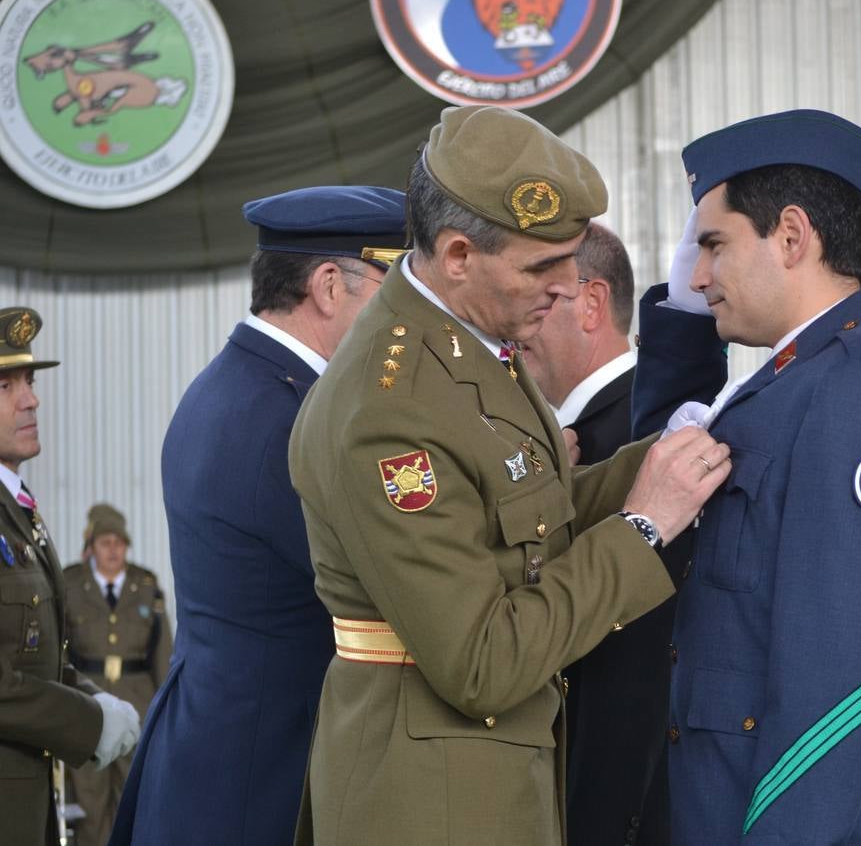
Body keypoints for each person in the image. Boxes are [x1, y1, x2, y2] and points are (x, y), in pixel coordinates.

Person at [287, 105, 730, 845]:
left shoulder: (462, 339)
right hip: (430, 803)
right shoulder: (390, 409)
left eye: (572, 257)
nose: (566, 288)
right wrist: (643, 526)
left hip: (481, 776)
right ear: (458, 254)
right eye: (540, 267)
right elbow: (483, 663)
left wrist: (654, 462)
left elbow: (529, 516)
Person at [630, 109, 861, 843]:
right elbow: (666, 479)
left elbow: (840, 686)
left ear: (793, 236)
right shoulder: (788, 379)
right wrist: (683, 315)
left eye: (713, 245)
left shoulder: (859, 392)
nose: (700, 272)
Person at [110, 186, 410, 846]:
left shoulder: (234, 385)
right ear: (329, 286)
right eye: (393, 293)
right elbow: (389, 586)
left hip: (216, 749)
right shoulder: (289, 421)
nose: (403, 320)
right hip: (256, 779)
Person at [521, 222, 677, 845]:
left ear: (591, 303)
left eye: (541, 293)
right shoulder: (542, 436)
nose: (517, 318)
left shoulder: (655, 430)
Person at [0, 307, 140, 845]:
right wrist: (89, 722)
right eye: (6, 385)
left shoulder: (18, 509)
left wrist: (94, 700)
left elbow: (34, 659)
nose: (31, 399)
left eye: (29, 382)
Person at [63, 503, 172, 846]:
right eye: (105, 542)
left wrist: (164, 711)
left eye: (119, 542)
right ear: (91, 546)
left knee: (135, 795)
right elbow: (60, 650)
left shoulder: (146, 586)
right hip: (86, 701)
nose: (113, 550)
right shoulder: (69, 584)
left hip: (137, 701)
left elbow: (163, 654)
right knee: (88, 798)